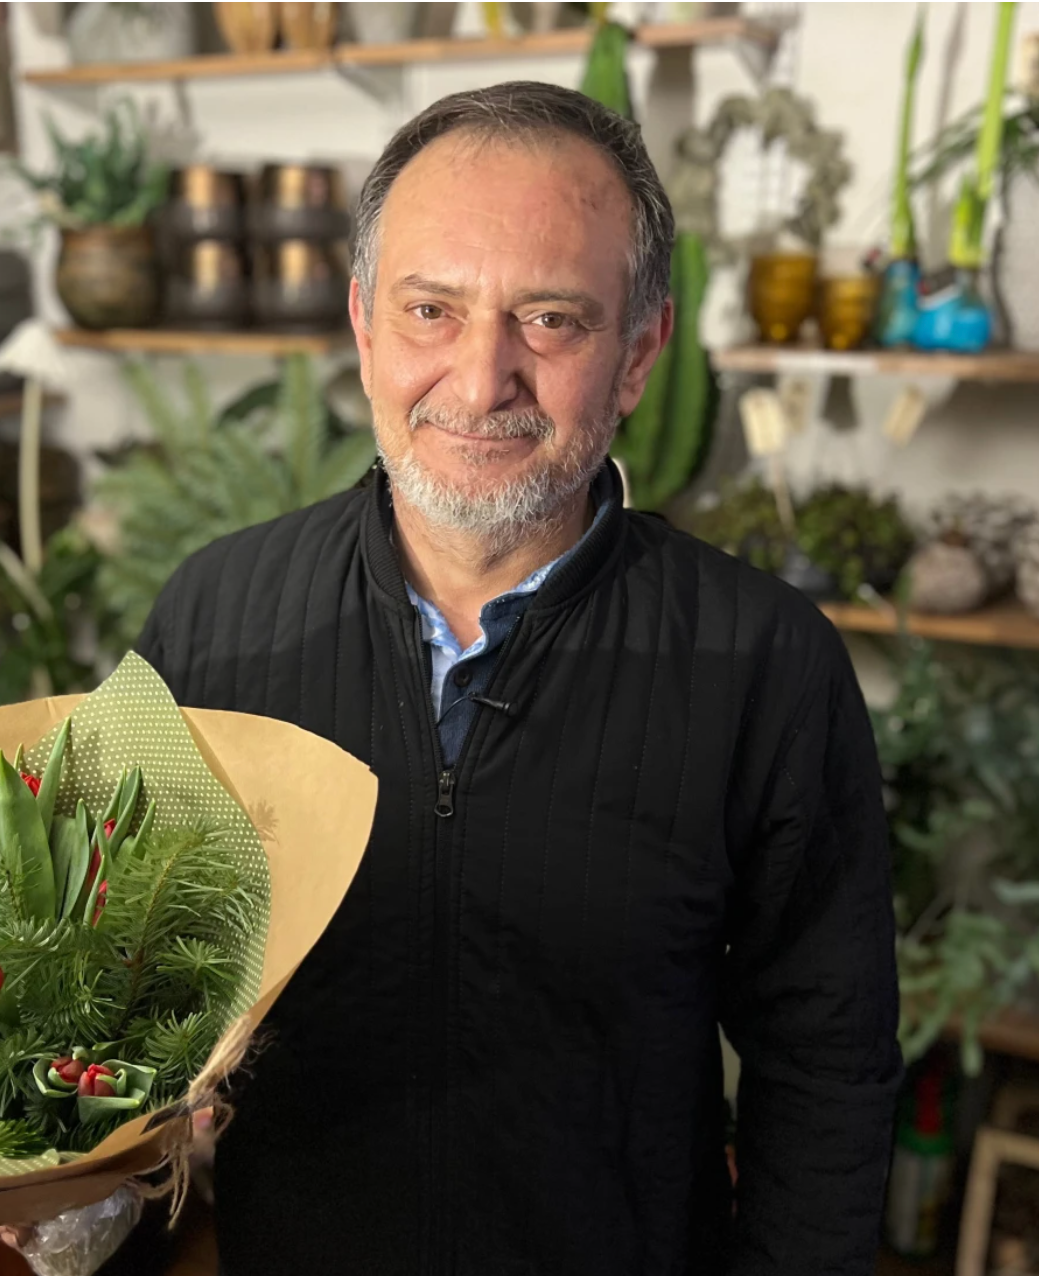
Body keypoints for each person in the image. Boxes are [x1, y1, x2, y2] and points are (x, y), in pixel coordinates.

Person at [136, 81, 901, 1275]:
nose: (481, 377)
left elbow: (827, 1065)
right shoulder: (213, 621)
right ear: (363, 326)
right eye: (430, 309)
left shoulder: (763, 662)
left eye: (549, 319)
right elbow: (123, 989)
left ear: (639, 354)